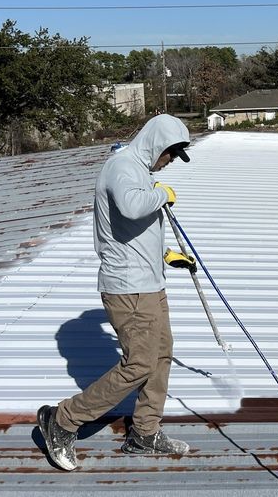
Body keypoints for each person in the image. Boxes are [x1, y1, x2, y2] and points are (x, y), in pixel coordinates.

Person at [38, 114, 197, 471]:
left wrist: (166, 255)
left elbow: (135, 229)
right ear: (158, 146)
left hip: (150, 282)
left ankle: (144, 433)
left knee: (160, 356)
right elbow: (131, 206)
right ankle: (63, 420)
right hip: (128, 288)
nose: (169, 162)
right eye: (170, 155)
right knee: (139, 364)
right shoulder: (122, 167)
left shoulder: (140, 171)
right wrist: (161, 194)